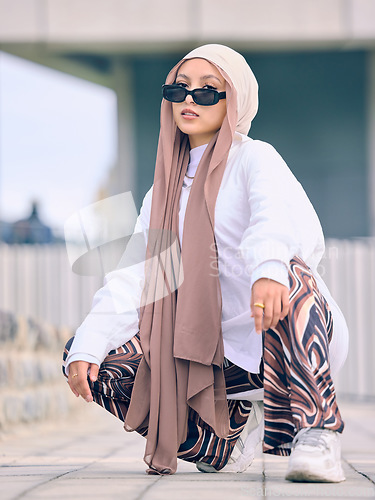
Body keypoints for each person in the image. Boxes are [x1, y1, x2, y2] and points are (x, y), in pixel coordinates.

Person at [62, 44, 349, 482]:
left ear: (234, 101)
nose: (190, 100)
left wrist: (267, 270)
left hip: (281, 339)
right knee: (89, 355)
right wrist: (87, 345)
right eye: (179, 90)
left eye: (208, 91)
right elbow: (138, 280)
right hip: (211, 357)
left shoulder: (255, 158)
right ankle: (219, 441)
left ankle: (317, 430)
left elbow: (276, 220)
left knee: (286, 272)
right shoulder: (161, 193)